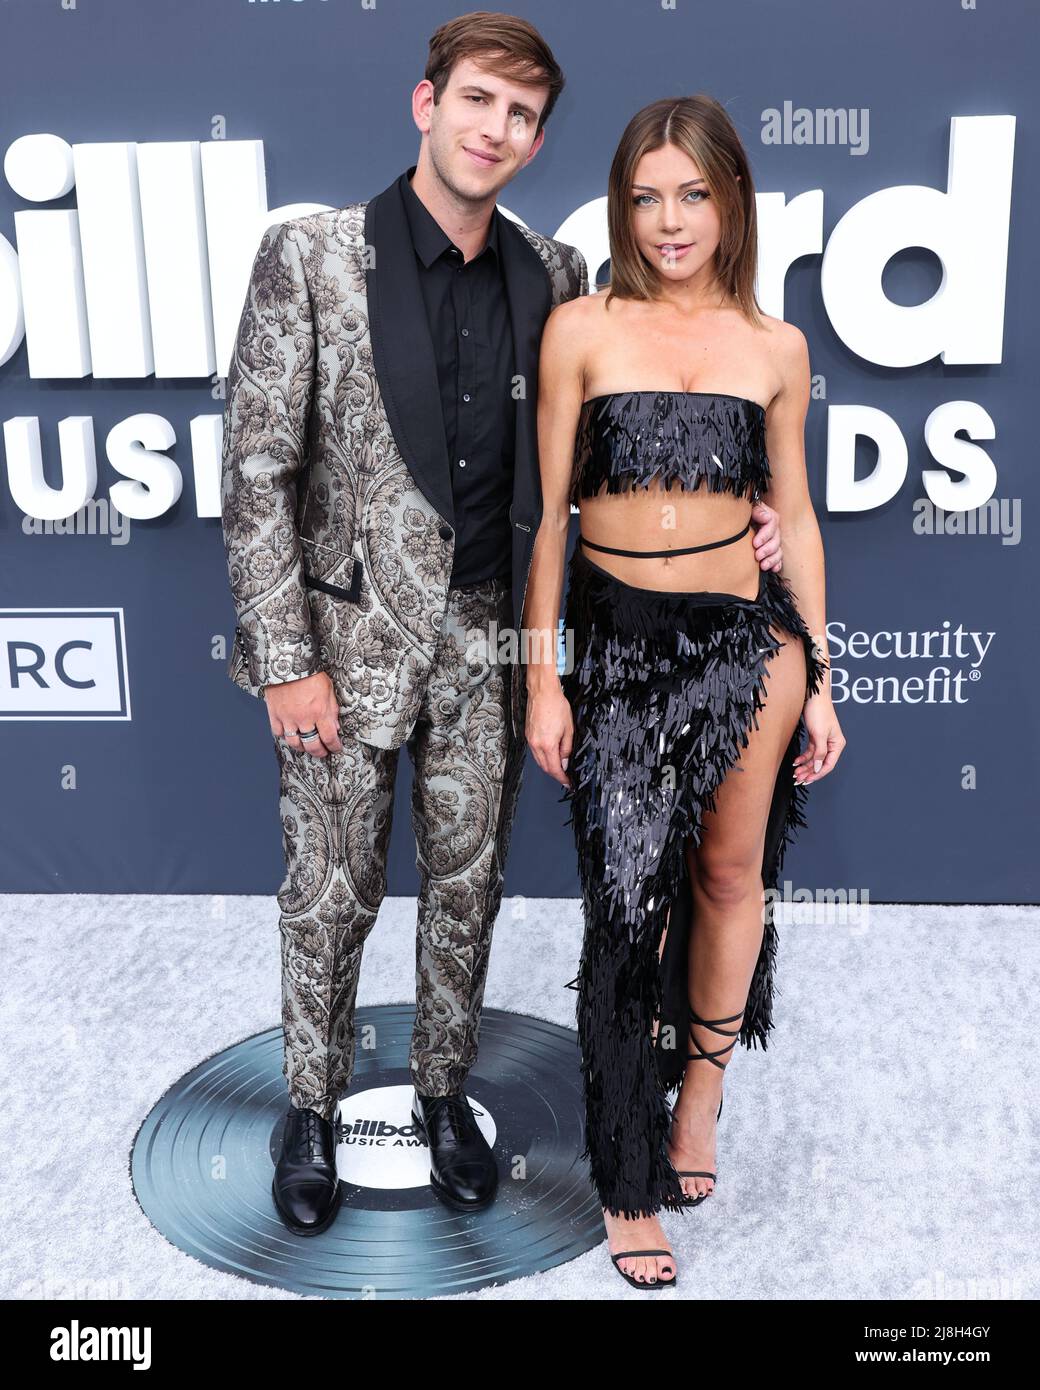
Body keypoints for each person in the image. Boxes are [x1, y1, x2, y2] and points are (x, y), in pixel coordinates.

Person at [222, 12, 783, 1237]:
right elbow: (257, 472)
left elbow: (592, 474)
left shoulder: (554, 277)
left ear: (535, 143)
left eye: (520, 115)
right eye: (476, 100)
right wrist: (283, 660)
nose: (494, 128)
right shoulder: (312, 255)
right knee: (331, 889)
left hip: (494, 642)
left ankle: (438, 1094)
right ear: (426, 105)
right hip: (344, 644)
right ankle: (309, 1109)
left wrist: (744, 520)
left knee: (467, 891)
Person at [524, 94, 845, 1289]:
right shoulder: (578, 329)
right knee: (621, 904)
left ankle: (698, 1097)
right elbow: (543, 522)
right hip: (611, 639)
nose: (668, 221)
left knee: (726, 875)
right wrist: (541, 678)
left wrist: (817, 672)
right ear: (621, 205)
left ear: (731, 204)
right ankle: (622, 1172)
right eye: (646, 195)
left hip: (746, 643)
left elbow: (796, 518)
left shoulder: (775, 347)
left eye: (693, 195)